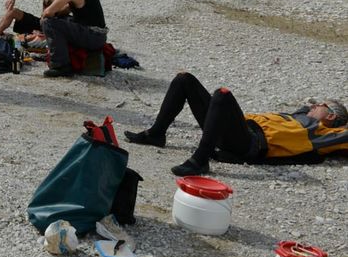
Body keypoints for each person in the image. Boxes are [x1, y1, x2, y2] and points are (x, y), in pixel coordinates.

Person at [125, 72, 348, 176]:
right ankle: (156, 134)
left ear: (330, 116)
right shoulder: (298, 116)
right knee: (185, 79)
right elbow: (306, 106)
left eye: (321, 105)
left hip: (250, 142)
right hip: (235, 128)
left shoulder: (322, 134)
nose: (315, 105)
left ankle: (200, 161)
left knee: (222, 95)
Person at [40, 0, 107, 78]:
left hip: (93, 36)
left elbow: (48, 13)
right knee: (61, 19)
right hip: (99, 35)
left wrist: (47, 15)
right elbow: (66, 10)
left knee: (48, 23)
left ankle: (60, 65)